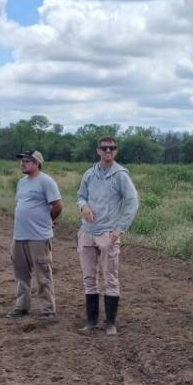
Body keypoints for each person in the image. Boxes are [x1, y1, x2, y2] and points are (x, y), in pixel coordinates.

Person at [76, 135, 139, 336]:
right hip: (87, 232)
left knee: (110, 277)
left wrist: (120, 228)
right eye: (104, 148)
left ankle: (110, 322)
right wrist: (83, 206)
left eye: (112, 148)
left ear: (116, 151)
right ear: (98, 150)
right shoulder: (89, 174)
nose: (108, 151)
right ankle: (92, 321)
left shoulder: (121, 175)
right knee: (89, 277)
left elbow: (132, 202)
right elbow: (80, 196)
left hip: (108, 234)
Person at [8, 150, 63, 320]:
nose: (23, 163)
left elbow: (58, 205)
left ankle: (48, 310)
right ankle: (21, 307)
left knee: (43, 274)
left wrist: (47, 221)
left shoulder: (46, 181)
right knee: (21, 274)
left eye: (27, 161)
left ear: (37, 163)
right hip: (19, 236)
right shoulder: (21, 183)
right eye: (22, 160)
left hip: (39, 237)